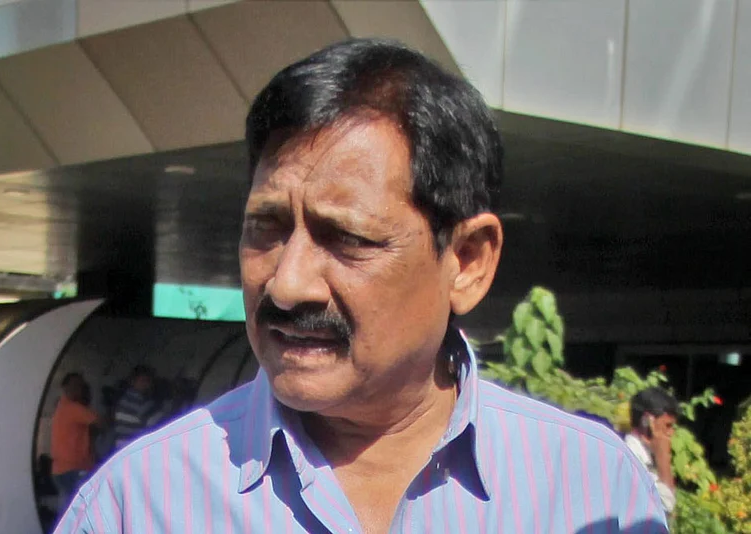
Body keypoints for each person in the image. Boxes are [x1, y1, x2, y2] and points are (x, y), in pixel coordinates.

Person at [55, 38, 668, 533]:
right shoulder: (137, 504)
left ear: (467, 262)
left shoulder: (591, 491)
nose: (288, 285)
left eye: (347, 238)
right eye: (266, 229)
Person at [49, 372, 99, 515]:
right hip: (74, 468)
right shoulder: (74, 409)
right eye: (75, 386)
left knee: (67, 513)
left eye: (81, 386)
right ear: (65, 387)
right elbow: (102, 423)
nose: (78, 389)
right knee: (79, 514)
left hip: (60, 469)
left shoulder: (61, 406)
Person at [625, 387, 679, 514]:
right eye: (667, 425)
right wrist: (663, 458)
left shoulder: (647, 454)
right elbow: (665, 506)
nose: (671, 433)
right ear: (647, 421)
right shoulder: (631, 456)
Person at [112, 365, 159, 451]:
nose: (145, 384)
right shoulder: (139, 401)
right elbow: (155, 424)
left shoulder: (123, 399)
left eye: (148, 381)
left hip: (121, 445)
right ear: (133, 381)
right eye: (143, 381)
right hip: (134, 447)